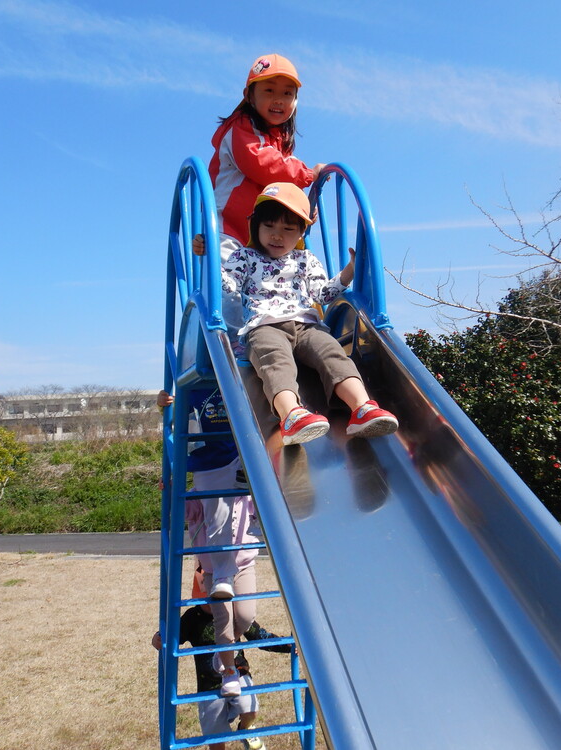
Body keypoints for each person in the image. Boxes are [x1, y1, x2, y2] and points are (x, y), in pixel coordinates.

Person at [216, 182, 399, 446]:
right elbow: (228, 285)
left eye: (288, 229)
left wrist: (349, 271)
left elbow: (321, 295)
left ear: (301, 232)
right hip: (265, 326)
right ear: (255, 225)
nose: (277, 235)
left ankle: (362, 407)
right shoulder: (244, 256)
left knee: (332, 352)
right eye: (269, 226)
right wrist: (209, 258)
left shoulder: (305, 260)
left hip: (307, 325)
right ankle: (291, 415)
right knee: (275, 360)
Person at [206, 53, 326, 344]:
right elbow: (263, 165)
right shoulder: (240, 129)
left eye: (287, 93)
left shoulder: (279, 139)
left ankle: (290, 332)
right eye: (269, 90)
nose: (278, 100)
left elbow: (282, 186)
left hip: (265, 232)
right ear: (249, 95)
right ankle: (233, 346)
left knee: (280, 282)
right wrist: (308, 174)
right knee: (228, 287)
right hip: (231, 228)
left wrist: (302, 207)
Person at [158, 387, 261, 697]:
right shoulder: (202, 492)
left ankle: (223, 653)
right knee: (223, 620)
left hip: (244, 562)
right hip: (214, 568)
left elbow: (260, 510)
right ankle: (229, 671)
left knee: (245, 618)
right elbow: (183, 510)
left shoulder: (243, 488)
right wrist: (171, 489)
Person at [152, 570, 291, 750]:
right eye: (210, 600)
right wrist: (159, 638)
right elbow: (172, 637)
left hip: (238, 674)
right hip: (208, 685)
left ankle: (245, 727)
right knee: (215, 739)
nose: (216, 605)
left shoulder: (234, 611)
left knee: (250, 708)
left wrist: (287, 645)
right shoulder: (192, 618)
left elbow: (259, 636)